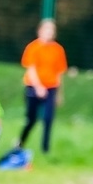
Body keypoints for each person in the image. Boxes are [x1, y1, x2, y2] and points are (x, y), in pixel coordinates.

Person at [19, 18, 67, 155]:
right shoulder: (33, 48)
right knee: (31, 119)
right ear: (40, 31)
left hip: (51, 88)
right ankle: (21, 142)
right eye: (46, 29)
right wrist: (38, 87)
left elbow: (59, 73)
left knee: (48, 118)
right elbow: (31, 69)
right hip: (33, 87)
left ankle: (45, 149)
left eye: (52, 30)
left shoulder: (58, 50)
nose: (49, 33)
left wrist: (59, 93)